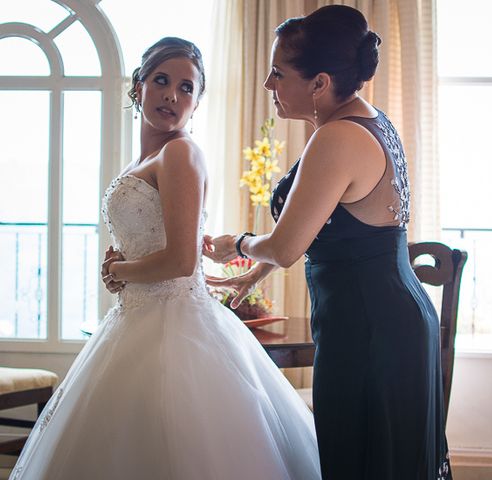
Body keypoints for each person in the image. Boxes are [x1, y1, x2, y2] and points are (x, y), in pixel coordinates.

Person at [10, 37, 320, 480]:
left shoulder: (180, 152)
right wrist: (124, 263)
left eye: (186, 88)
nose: (172, 95)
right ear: (138, 87)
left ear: (197, 103)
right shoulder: (149, 157)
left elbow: (180, 260)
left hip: (174, 325)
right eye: (161, 81)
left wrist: (118, 270)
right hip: (135, 318)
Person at [205, 6, 452, 480]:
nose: (268, 85)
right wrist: (260, 268)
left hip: (370, 329)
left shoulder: (337, 137)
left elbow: (285, 247)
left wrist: (237, 243)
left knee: (361, 461)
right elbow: (337, 230)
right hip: (384, 317)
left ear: (319, 82)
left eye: (278, 73)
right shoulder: (367, 120)